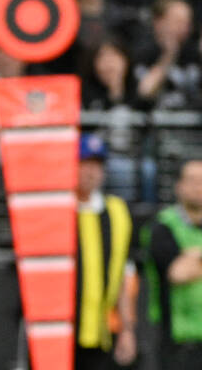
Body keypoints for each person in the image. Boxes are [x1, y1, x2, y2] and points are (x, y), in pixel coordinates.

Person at [76, 134, 137, 370]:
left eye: (97, 165)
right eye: (84, 163)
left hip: (101, 334)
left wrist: (127, 329)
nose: (91, 172)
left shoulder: (117, 212)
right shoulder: (58, 211)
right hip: (59, 336)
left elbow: (124, 275)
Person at [144, 159, 202, 370]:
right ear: (179, 187)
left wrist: (195, 255)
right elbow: (178, 273)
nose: (198, 186)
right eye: (192, 180)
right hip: (176, 342)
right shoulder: (162, 225)